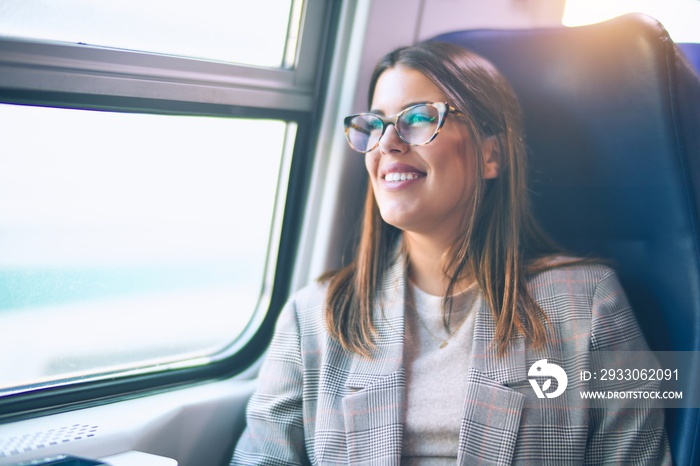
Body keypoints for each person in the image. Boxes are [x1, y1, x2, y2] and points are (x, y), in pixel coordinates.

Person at [230, 42, 671, 465]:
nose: (387, 144)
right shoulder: (314, 317)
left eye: (418, 118)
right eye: (376, 124)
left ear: (489, 154)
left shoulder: (589, 305)